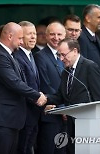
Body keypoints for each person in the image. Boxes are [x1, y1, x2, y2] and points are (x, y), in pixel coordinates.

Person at [0, 22, 47, 154]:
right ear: (10, 36)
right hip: (0, 120)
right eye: (20, 38)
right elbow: (14, 82)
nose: (22, 42)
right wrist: (37, 95)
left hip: (9, 120)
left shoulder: (8, 55)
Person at [48, 38, 100, 154]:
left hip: (90, 126)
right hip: (71, 127)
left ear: (74, 51)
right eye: (59, 55)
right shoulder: (66, 72)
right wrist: (45, 98)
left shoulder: (89, 67)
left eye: (63, 55)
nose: (61, 59)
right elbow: (61, 96)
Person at [34, 21, 66, 154]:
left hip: (66, 114)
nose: (56, 37)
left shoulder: (66, 56)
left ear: (65, 36)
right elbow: (45, 85)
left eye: (59, 34)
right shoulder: (40, 57)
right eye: (52, 34)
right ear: (46, 36)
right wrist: (62, 106)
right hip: (50, 114)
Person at [13, 21, 41, 154]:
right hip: (24, 115)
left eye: (34, 33)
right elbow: (22, 85)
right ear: (20, 37)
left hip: (33, 114)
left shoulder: (30, 55)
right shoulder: (17, 57)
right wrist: (39, 99)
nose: (33, 37)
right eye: (29, 34)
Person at [78, 4, 100, 81]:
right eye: (99, 17)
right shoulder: (81, 38)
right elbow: (82, 69)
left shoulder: (96, 38)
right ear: (88, 18)